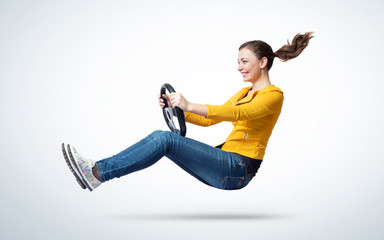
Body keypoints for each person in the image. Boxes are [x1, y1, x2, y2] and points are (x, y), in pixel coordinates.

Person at [62, 32, 314, 192]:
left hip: (238, 169)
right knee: (164, 140)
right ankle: (96, 173)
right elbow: (211, 119)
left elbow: (238, 115)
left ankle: (97, 173)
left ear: (263, 62)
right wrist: (179, 107)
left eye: (244, 61)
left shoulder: (273, 95)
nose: (239, 67)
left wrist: (189, 104)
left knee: (164, 138)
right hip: (225, 162)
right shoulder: (242, 94)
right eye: (238, 61)